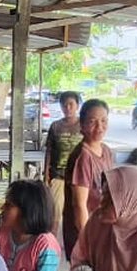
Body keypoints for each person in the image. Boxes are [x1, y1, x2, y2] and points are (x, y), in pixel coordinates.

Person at [62, 98, 113, 261]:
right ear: (82, 125)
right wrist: (87, 242)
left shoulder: (106, 151)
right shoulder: (83, 157)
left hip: (101, 229)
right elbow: (79, 205)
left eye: (104, 121)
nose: (100, 127)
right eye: (92, 122)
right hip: (85, 233)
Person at [0, 180, 61, 271]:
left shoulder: (45, 245)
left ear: (27, 211)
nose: (2, 208)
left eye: (9, 205)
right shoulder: (2, 233)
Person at [43, 91, 82, 236]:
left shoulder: (83, 125)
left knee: (77, 211)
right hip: (58, 175)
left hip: (79, 177)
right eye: (64, 105)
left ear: (77, 106)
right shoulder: (55, 126)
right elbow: (49, 151)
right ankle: (51, 241)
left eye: (71, 104)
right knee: (55, 213)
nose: (68, 108)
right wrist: (46, 173)